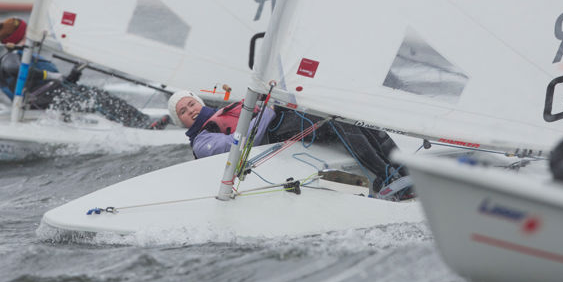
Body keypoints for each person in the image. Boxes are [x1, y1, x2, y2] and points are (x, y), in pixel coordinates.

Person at [167, 90, 411, 199]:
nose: (191, 109)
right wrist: (268, 111)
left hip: (283, 119)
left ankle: (406, 172)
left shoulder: (220, 112)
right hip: (274, 135)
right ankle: (387, 178)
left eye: (191, 103)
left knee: (354, 116)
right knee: (338, 123)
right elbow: (237, 144)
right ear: (181, 121)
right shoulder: (202, 140)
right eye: (184, 111)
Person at [0, 18, 168, 129]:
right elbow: (14, 69)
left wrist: (75, 73)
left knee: (102, 95)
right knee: (95, 100)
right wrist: (48, 76)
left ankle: (142, 121)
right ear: (22, 35)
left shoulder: (27, 55)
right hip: (41, 100)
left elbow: (61, 82)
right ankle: (142, 126)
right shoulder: (11, 57)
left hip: (55, 94)